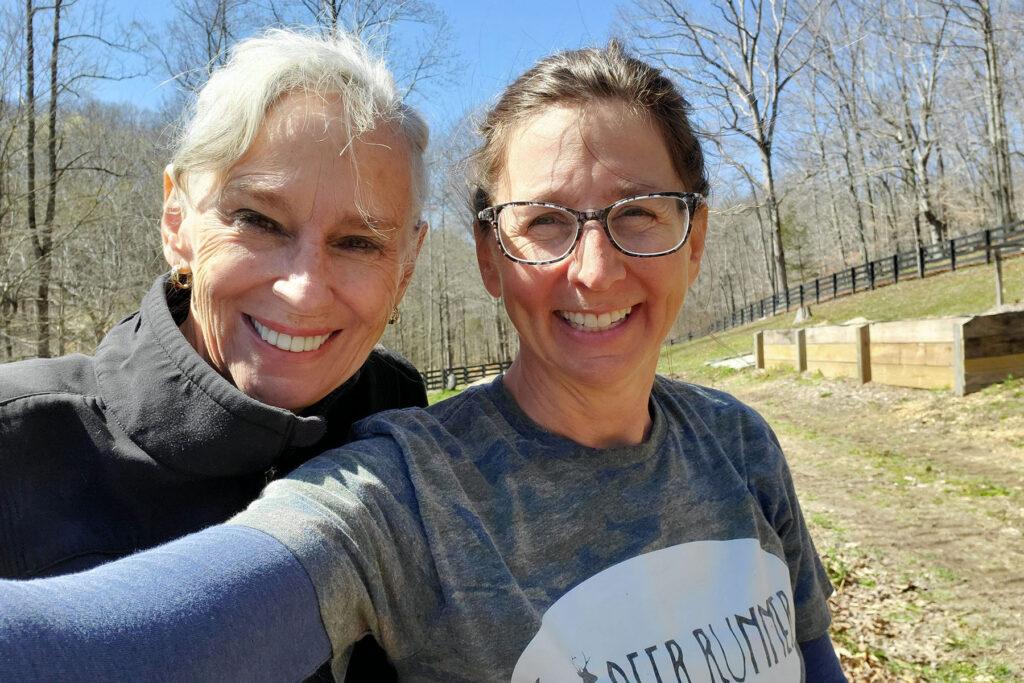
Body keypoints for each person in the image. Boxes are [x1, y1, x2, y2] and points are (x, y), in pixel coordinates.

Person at [0, 43, 847, 682]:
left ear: (694, 238)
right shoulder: (409, 487)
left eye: (641, 213)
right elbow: (105, 640)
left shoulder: (738, 443)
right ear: (489, 257)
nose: (594, 268)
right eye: (547, 221)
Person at [0, 28, 429, 681]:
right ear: (178, 222)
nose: (304, 288)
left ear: (407, 265)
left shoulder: (414, 441)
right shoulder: (20, 442)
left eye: (358, 241)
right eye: (258, 220)